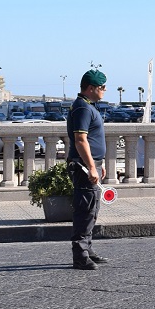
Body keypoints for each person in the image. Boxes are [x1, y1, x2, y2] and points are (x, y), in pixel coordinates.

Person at [66, 69, 109, 270]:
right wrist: (92, 167)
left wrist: (100, 164)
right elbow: (80, 139)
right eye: (102, 87)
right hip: (84, 166)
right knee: (85, 209)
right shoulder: (83, 108)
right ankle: (80, 255)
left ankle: (88, 250)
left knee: (92, 209)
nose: (104, 90)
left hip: (91, 164)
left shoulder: (88, 106)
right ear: (91, 88)